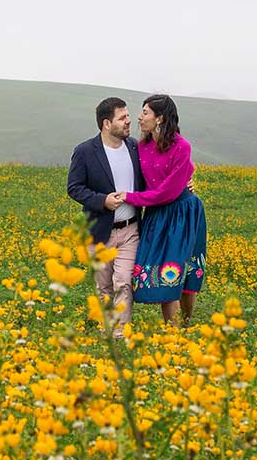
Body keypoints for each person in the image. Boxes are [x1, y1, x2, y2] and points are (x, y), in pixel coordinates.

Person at [117, 94, 207, 326]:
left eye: (145, 112)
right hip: (157, 214)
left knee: (181, 275)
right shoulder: (142, 146)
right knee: (166, 274)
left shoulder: (181, 146)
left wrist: (129, 198)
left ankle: (183, 326)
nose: (139, 117)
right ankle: (174, 337)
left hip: (182, 213)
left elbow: (167, 192)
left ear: (160, 118)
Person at [67, 97, 145, 337]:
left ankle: (120, 334)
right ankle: (107, 329)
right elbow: (74, 187)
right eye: (122, 118)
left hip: (130, 229)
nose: (129, 121)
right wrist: (103, 201)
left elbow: (155, 177)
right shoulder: (85, 151)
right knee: (104, 286)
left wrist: (184, 183)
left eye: (128, 116)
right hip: (100, 230)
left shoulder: (134, 147)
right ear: (106, 123)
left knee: (124, 281)